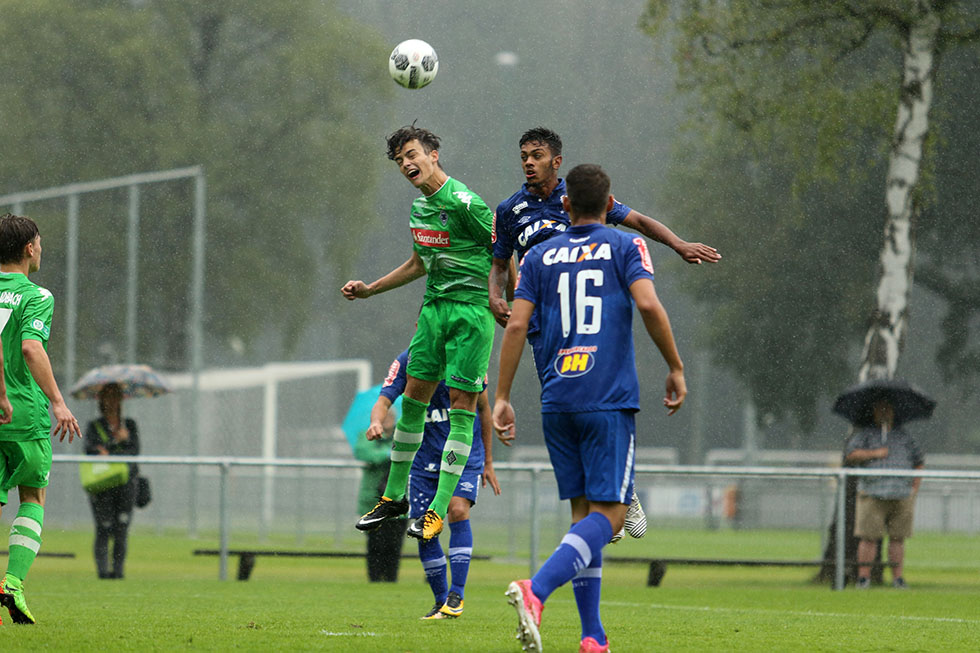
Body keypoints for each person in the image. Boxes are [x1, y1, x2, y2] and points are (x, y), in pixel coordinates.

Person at [489, 127, 718, 542]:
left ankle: (620, 494)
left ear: (556, 162)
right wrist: (496, 298)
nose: (527, 161)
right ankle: (604, 506)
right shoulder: (509, 209)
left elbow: (640, 222)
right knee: (567, 408)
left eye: (536, 155)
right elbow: (500, 264)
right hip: (545, 329)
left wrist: (678, 243)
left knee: (603, 404)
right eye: (523, 154)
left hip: (590, 325)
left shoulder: (578, 199)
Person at [493, 165, 686, 653]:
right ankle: (536, 591)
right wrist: (675, 366)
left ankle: (592, 636)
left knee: (584, 517)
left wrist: (502, 397)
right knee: (615, 516)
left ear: (564, 205)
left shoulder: (538, 255)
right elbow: (647, 305)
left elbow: (516, 328)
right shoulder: (624, 246)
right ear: (609, 203)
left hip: (558, 398)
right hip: (607, 396)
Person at [342, 124, 495, 542]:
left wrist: (505, 301)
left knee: (464, 405)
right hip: (433, 310)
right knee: (413, 402)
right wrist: (371, 289)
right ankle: (395, 498)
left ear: (433, 154)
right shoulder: (420, 209)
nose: (407, 163)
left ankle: (437, 510)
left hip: (471, 313)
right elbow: (417, 265)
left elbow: (502, 251)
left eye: (412, 154)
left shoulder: (465, 202)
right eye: (399, 160)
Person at [371, 348, 502, 619]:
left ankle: (456, 594)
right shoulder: (408, 360)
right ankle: (441, 601)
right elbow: (384, 399)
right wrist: (375, 421)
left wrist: (489, 461)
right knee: (423, 527)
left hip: (463, 455)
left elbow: (484, 408)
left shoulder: (467, 355)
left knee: (457, 510)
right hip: (422, 460)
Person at [0, 213, 82, 625]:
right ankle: (12, 583)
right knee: (32, 497)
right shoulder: (37, 296)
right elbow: (31, 349)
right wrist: (58, 402)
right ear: (30, 248)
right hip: (22, 414)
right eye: (40, 242)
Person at [844, 398, 924, 590]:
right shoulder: (865, 434)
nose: (885, 413)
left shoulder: (904, 436)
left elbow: (919, 461)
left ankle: (898, 578)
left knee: (898, 538)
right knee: (868, 537)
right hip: (873, 493)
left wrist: (914, 488)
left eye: (888, 409)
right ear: (874, 412)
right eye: (881, 409)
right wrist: (875, 453)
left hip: (901, 495)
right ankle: (864, 579)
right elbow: (851, 455)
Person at [83, 383, 141, 580]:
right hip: (103, 485)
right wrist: (111, 444)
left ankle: (118, 572)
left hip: (126, 485)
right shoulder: (94, 426)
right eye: (107, 396)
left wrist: (122, 441)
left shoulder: (129, 425)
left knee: (121, 528)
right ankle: (102, 573)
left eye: (115, 396)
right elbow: (91, 449)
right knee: (104, 527)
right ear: (101, 400)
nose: (111, 401)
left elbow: (134, 452)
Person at [353, 401, 407, 583]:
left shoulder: (404, 436)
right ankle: (374, 578)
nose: (387, 421)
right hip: (373, 500)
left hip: (397, 500)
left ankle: (391, 579)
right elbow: (364, 453)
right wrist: (388, 453)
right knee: (375, 543)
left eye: (390, 417)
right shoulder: (367, 435)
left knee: (394, 544)